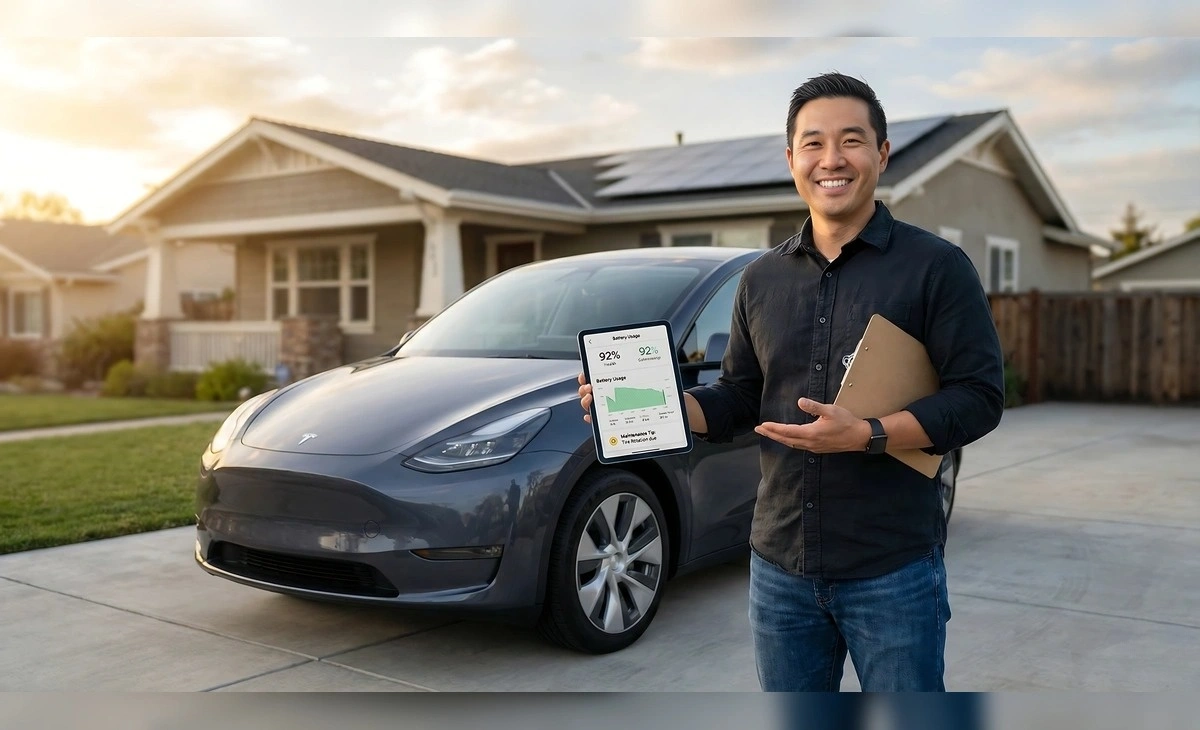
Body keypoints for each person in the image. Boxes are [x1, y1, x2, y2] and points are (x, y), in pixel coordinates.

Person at [578, 72, 1005, 692]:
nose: (832, 159)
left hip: (891, 569)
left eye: (852, 140)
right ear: (790, 159)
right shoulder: (761, 280)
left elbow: (979, 397)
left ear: (882, 154)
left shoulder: (936, 268)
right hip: (779, 566)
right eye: (813, 143)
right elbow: (741, 397)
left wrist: (869, 434)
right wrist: (648, 402)